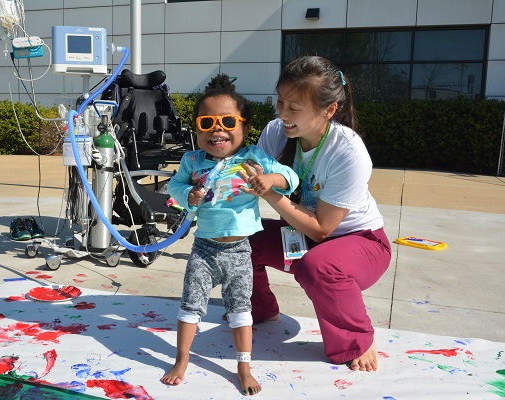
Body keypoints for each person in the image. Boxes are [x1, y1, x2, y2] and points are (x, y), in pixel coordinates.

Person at [239, 56, 392, 372]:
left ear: (329, 110)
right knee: (238, 238)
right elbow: (248, 175)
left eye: (294, 108)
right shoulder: (276, 132)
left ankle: (358, 339)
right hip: (302, 234)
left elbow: (323, 229)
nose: (283, 114)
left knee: (318, 266)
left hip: (360, 244)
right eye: (279, 102)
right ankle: (260, 309)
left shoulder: (348, 151)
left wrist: (270, 192)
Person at [161, 74, 299, 395]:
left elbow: (290, 178)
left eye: (227, 121)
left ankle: (243, 368)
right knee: (190, 305)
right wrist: (188, 196)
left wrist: (269, 181)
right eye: (206, 122)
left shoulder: (252, 159)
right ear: (197, 129)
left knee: (240, 311)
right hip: (204, 251)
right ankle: (181, 359)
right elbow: (175, 187)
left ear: (245, 128)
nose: (217, 129)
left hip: (239, 252)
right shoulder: (191, 161)